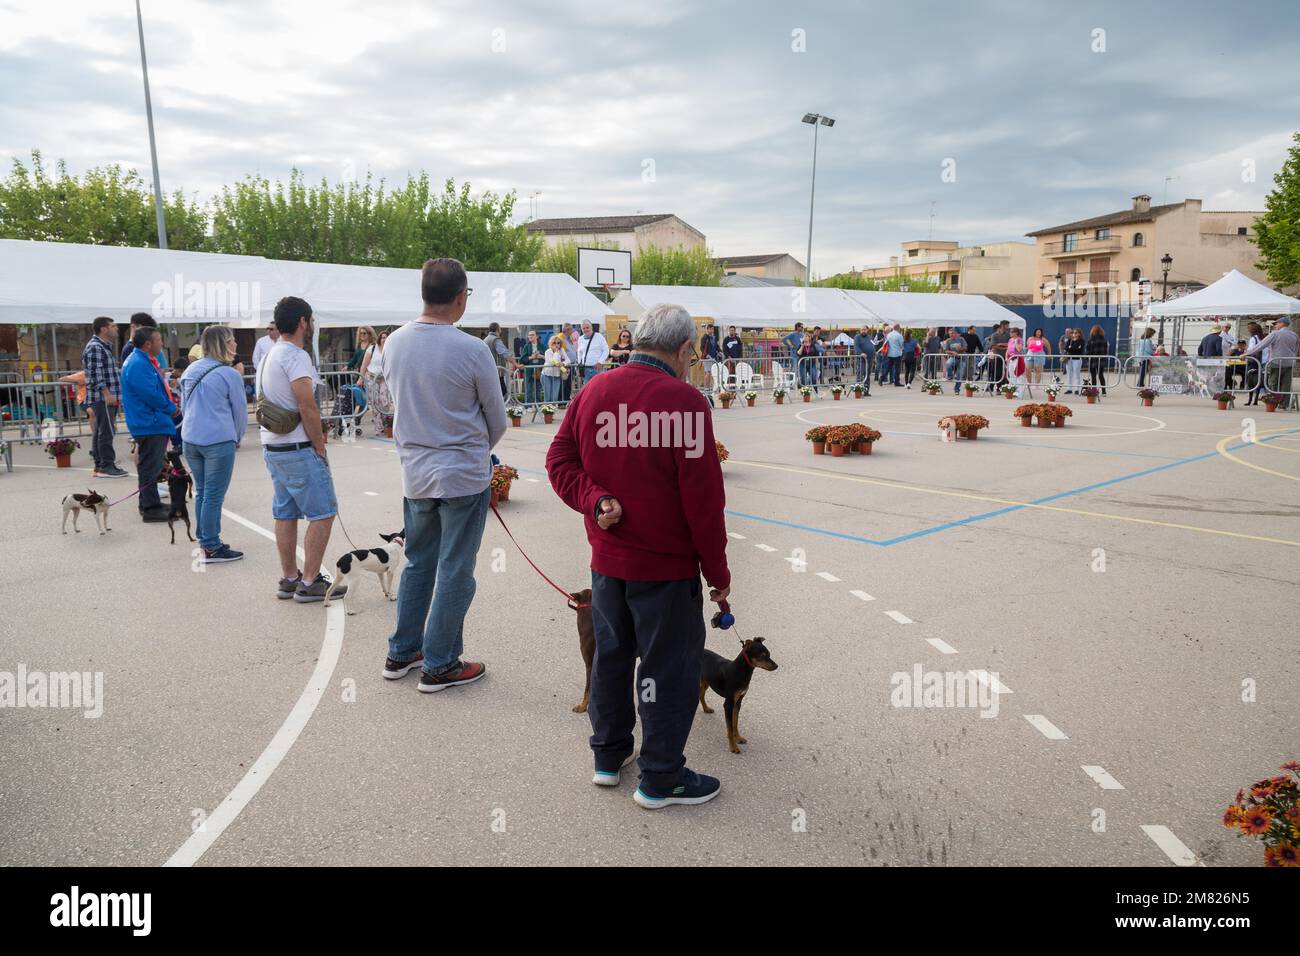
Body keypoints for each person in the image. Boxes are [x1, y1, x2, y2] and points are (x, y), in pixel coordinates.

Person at [546, 302, 729, 810]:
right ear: (684, 349)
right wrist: (718, 573)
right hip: (665, 572)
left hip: (607, 566)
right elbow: (704, 502)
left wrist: (593, 498)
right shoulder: (686, 402)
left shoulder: (594, 391)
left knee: (611, 657)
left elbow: (559, 460)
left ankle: (608, 756)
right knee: (666, 669)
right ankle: (661, 777)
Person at [380, 258, 507, 692]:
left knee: (418, 563)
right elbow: (498, 419)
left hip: (415, 472)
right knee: (455, 569)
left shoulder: (393, 343)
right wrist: (474, 452)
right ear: (460, 297)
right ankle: (441, 662)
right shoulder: (472, 349)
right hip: (461, 475)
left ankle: (403, 650)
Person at [258, 296, 343, 603]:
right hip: (297, 447)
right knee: (323, 513)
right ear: (303, 322)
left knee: (286, 512)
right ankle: (310, 581)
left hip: (274, 446)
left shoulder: (270, 354)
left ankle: (289, 578)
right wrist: (320, 446)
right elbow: (307, 406)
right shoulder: (295, 356)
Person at [179, 325, 247, 563]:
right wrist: (238, 437)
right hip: (218, 439)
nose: (235, 345)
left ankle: (205, 539)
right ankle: (210, 545)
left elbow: (183, 406)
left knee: (203, 493)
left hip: (191, 438)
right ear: (224, 344)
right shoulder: (229, 374)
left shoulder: (191, 370)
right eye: (232, 340)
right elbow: (240, 411)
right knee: (214, 495)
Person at [121, 326, 177, 522]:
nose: (162, 343)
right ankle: (150, 508)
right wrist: (171, 408)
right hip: (149, 422)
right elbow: (150, 394)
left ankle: (150, 503)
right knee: (149, 468)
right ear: (148, 344)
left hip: (149, 421)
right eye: (159, 340)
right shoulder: (138, 364)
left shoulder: (141, 361)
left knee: (150, 467)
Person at [82, 316, 128, 479]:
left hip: (105, 396)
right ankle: (106, 465)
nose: (116, 329)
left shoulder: (103, 346)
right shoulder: (95, 347)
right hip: (102, 398)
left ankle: (100, 464)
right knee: (106, 431)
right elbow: (95, 373)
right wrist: (106, 393)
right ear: (104, 329)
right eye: (113, 326)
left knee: (101, 431)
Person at [1245, 317, 1298, 402]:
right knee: (1286, 384)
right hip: (1290, 362)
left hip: (1276, 362)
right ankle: (1285, 403)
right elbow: (1296, 349)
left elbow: (1261, 345)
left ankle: (1274, 402)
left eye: (1276, 323)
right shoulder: (1294, 335)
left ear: (1282, 324)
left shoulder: (1275, 334)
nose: (1275, 326)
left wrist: (1246, 354)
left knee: (1273, 383)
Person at [360, 328, 393, 434]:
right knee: (375, 403)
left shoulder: (391, 349)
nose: (384, 339)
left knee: (384, 401)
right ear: (379, 338)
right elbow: (364, 364)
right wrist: (360, 378)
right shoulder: (372, 348)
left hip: (384, 379)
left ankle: (384, 422)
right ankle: (378, 428)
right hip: (371, 378)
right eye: (383, 337)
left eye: (387, 337)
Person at [576, 320, 609, 388]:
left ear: (591, 327)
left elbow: (606, 350)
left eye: (587, 327)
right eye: (583, 328)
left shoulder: (599, 336)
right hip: (585, 369)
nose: (585, 330)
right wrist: (580, 364)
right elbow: (579, 353)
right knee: (587, 390)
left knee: (598, 388)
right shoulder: (580, 339)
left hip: (597, 369)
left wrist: (600, 362)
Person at [519, 328, 547, 403]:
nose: (530, 336)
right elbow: (522, 359)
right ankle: (528, 405)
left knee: (538, 388)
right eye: (529, 335)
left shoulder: (543, 346)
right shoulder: (526, 346)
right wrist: (531, 357)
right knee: (528, 388)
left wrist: (541, 356)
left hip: (539, 370)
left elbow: (548, 357)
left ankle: (538, 404)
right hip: (529, 370)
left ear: (536, 336)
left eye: (532, 335)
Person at [542, 332, 571, 403]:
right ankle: (546, 413)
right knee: (548, 397)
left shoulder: (562, 350)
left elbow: (568, 360)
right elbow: (552, 362)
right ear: (551, 343)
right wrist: (556, 352)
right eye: (554, 343)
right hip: (546, 375)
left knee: (554, 397)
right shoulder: (547, 352)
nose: (556, 344)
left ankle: (552, 412)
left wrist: (563, 363)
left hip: (557, 376)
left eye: (558, 343)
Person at [1086, 325, 1110, 394]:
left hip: (1092, 360)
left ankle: (1094, 391)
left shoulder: (1091, 340)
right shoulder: (1104, 340)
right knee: (1101, 375)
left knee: (1093, 376)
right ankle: (1104, 391)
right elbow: (1106, 351)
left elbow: (1088, 351)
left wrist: (1087, 359)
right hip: (1101, 360)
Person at [942, 327, 967, 393]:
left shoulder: (961, 339)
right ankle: (950, 376)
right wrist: (952, 352)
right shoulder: (948, 341)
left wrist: (960, 349)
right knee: (948, 364)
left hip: (962, 359)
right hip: (953, 357)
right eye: (950, 334)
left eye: (952, 333)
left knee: (959, 375)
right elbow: (946, 350)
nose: (951, 335)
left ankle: (957, 389)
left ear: (956, 333)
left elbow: (965, 348)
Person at [1005, 327, 1027, 397]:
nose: (1010, 333)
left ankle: (1020, 392)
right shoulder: (1010, 340)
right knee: (1011, 375)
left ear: (1016, 333)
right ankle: (1013, 390)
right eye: (1010, 332)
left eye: (1012, 332)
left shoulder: (1019, 340)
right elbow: (1008, 349)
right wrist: (1006, 357)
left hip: (1017, 359)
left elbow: (1019, 349)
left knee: (1019, 375)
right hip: (1010, 359)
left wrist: (1016, 342)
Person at [852, 326, 874, 393]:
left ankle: (866, 391)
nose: (863, 331)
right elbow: (856, 346)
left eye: (864, 330)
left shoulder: (869, 337)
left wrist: (874, 352)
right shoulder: (857, 337)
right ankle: (858, 391)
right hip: (861, 360)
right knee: (860, 374)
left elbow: (872, 345)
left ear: (867, 330)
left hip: (869, 359)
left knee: (867, 375)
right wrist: (861, 353)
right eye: (862, 330)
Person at [1063, 327, 1086, 392]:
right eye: (1073, 333)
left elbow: (1080, 350)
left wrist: (1071, 348)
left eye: (1076, 333)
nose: (1074, 334)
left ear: (1079, 334)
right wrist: (1074, 348)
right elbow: (1066, 348)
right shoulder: (1069, 340)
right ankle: (1069, 389)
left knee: (1076, 374)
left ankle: (1077, 389)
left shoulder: (1081, 341)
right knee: (1069, 374)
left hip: (1077, 359)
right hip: (1069, 359)